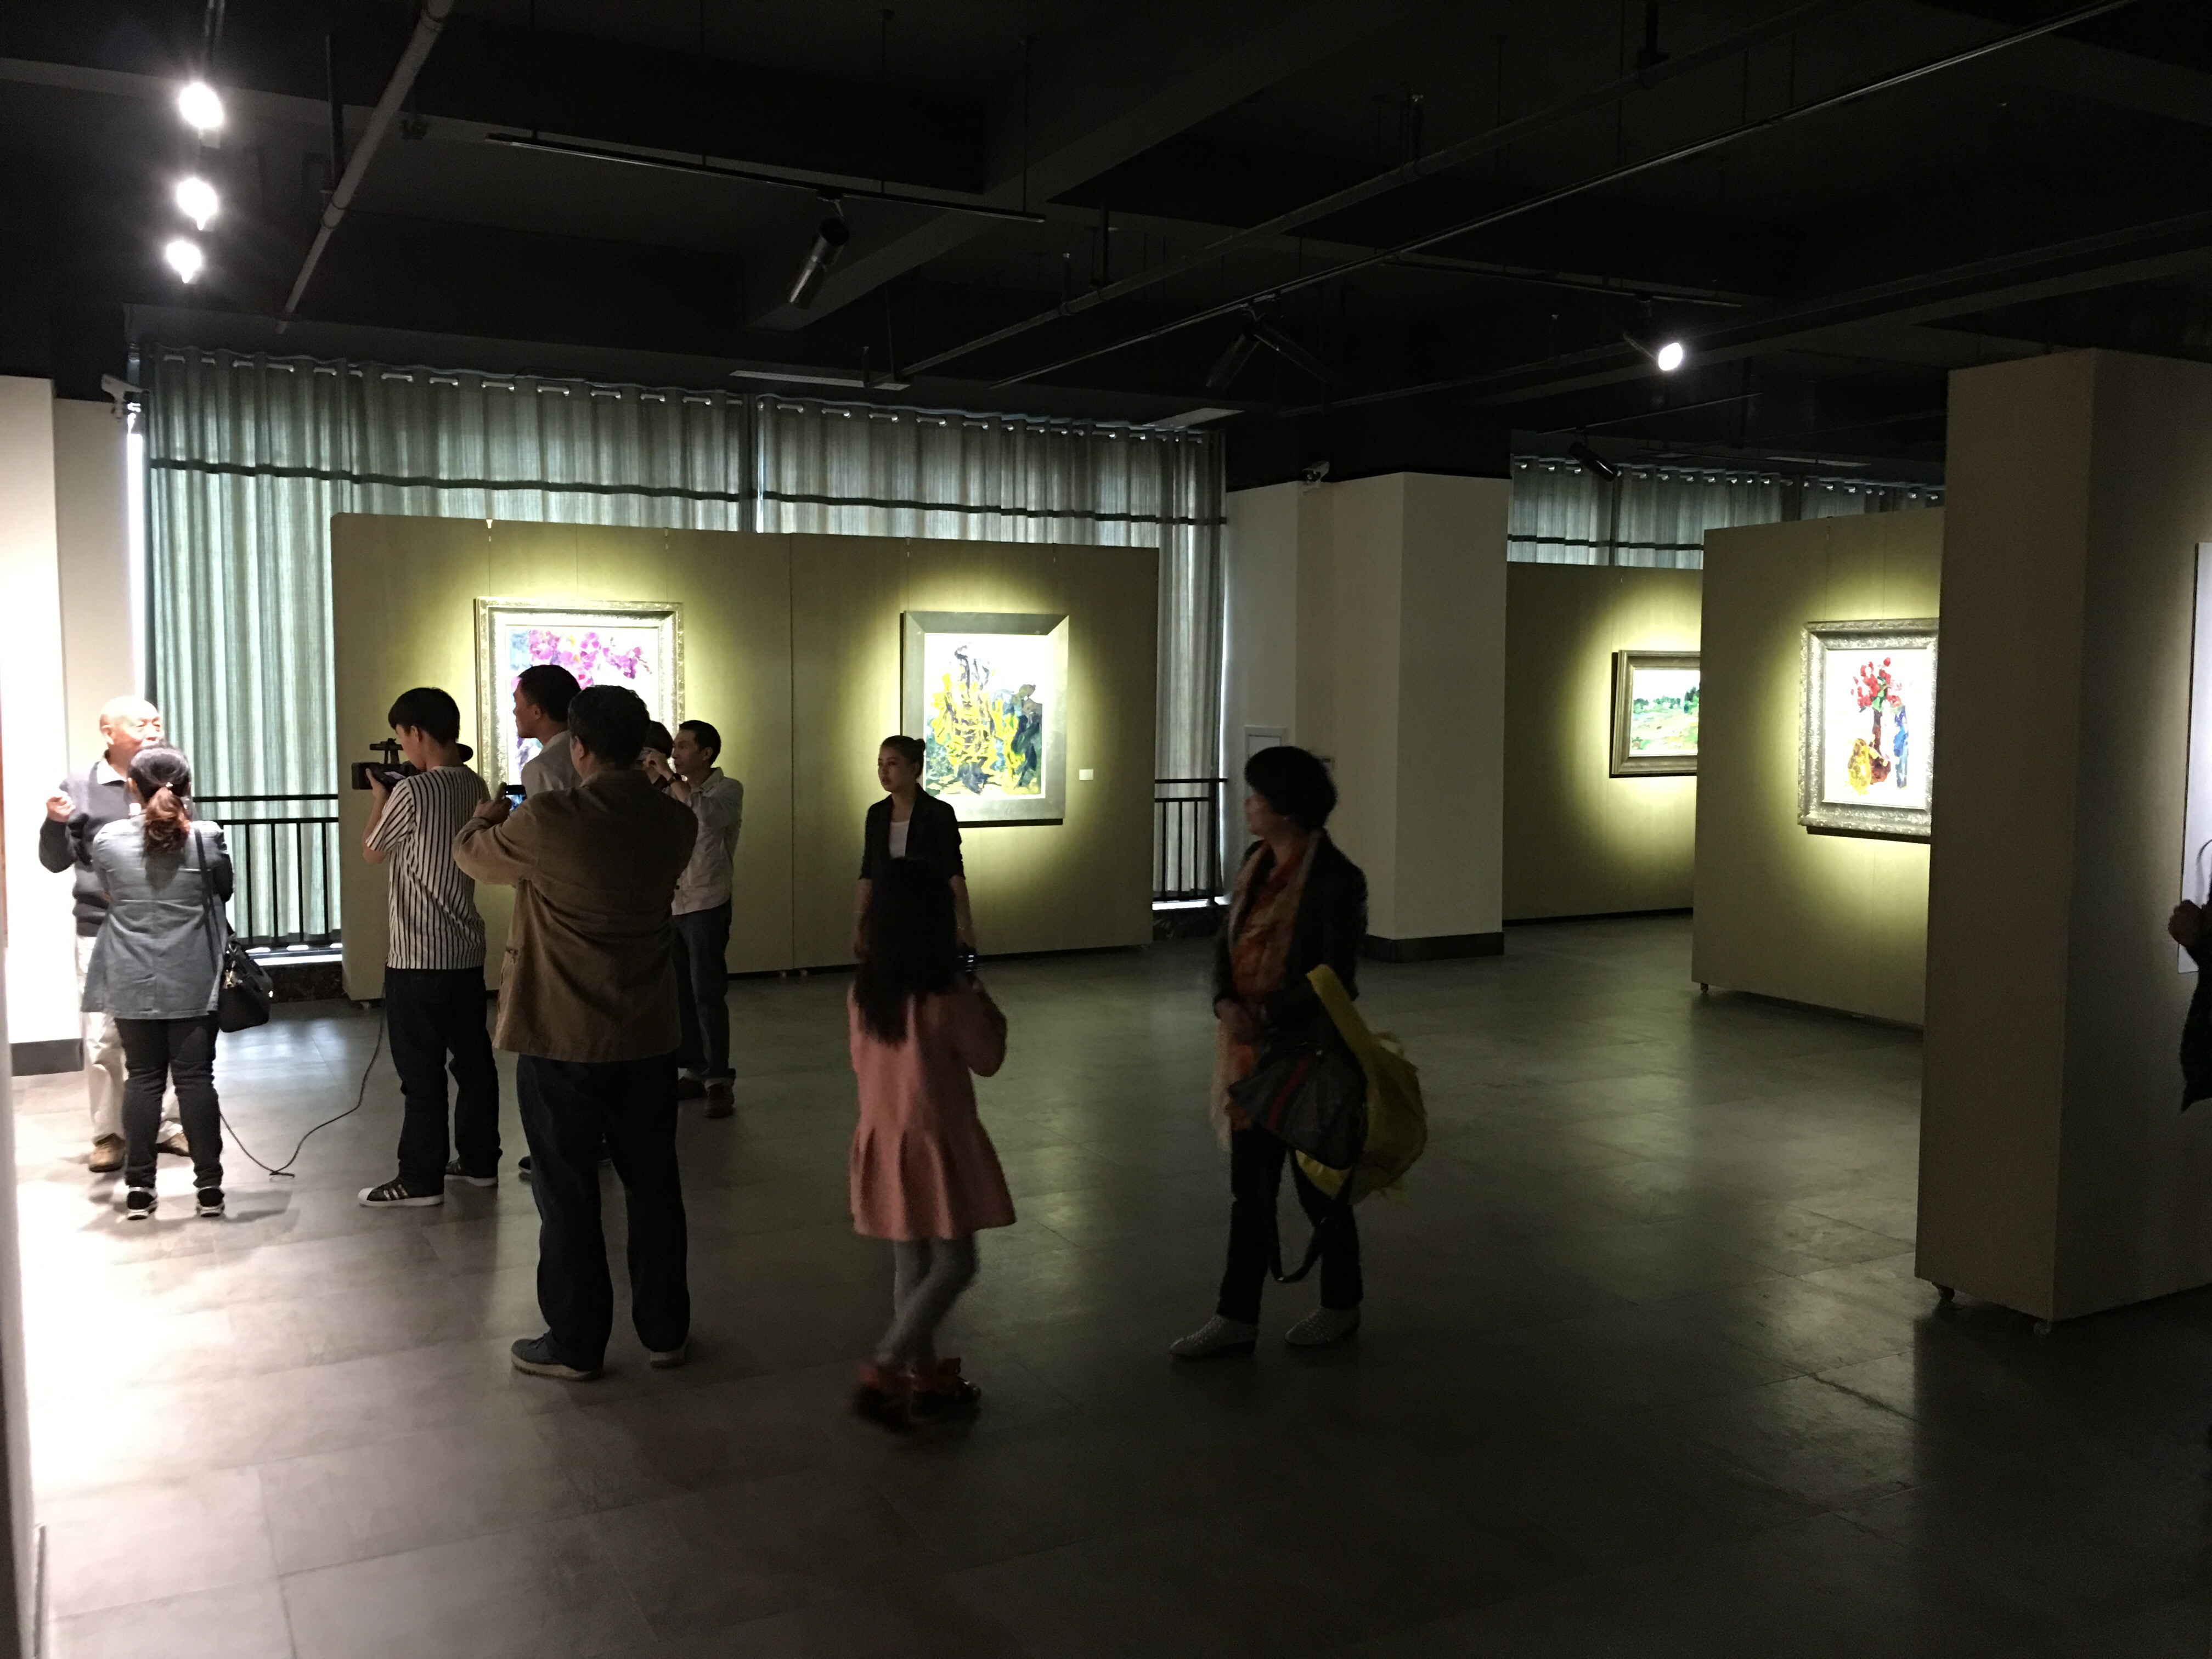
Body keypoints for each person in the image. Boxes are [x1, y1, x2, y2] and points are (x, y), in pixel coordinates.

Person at [455, 684, 698, 1380]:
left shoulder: (549, 819)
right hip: (647, 1030)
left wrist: (479, 819)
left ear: (580, 748)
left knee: (566, 1189)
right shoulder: (674, 823)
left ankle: (576, 1340)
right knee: (653, 1183)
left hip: (561, 1031)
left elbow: (475, 858)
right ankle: (666, 1330)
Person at [1171, 745, 1369, 1359]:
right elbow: (1225, 944)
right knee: (1250, 1194)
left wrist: (1267, 1015)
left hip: (1305, 1058)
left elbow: (1335, 978)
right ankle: (1236, 1316)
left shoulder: (1335, 880)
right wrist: (1224, 1000)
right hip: (1247, 1060)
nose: (1249, 804)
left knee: (1319, 1192)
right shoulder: (1255, 864)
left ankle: (1341, 1304)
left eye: (1257, 795)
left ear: (1285, 808)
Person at [847, 859, 1011, 1430]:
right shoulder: (946, 995)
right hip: (936, 1141)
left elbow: (861, 1064)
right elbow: (988, 1058)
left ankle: (924, 1379)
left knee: (910, 1260)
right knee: (957, 1262)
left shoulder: (864, 993)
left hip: (885, 1137)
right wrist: (984, 1001)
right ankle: (889, 1363)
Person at [357, 687, 500, 1207]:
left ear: (416, 732)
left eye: (401, 737)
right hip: (465, 949)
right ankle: (480, 1161)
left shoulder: (413, 792)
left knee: (421, 1074)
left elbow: (373, 852)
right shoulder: (475, 784)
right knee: (474, 1062)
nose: (402, 746)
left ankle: (420, 1178)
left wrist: (380, 798)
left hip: (417, 955)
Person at [80, 746, 230, 1221]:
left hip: (130, 974)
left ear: (132, 787)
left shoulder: (108, 840)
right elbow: (223, 890)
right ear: (188, 788)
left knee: (142, 1077)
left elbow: (109, 891)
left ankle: (140, 1190)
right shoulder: (207, 837)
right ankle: (209, 1189)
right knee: (195, 1078)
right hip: (194, 973)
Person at [41, 695, 187, 1172]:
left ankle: (166, 1124)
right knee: (104, 1036)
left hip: (163, 926)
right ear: (109, 732)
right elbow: (56, 861)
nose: (153, 731)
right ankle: (109, 1134)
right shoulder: (80, 786)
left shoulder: (169, 776)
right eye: (141, 724)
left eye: (157, 723)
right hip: (100, 927)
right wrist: (55, 823)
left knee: (168, 1027)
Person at [645, 720, 744, 1118]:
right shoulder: (670, 789)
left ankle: (719, 1079)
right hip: (674, 903)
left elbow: (705, 816)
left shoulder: (727, 789)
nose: (675, 753)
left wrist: (669, 778)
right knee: (681, 993)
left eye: (683, 746)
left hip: (707, 902)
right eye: (674, 746)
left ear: (707, 754)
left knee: (707, 992)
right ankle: (695, 1069)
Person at [853, 735, 974, 958]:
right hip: (886, 919)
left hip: (927, 919)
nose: (883, 771)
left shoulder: (938, 813)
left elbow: (954, 872)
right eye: (880, 764)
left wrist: (964, 927)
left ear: (913, 768)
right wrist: (860, 925)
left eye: (892, 764)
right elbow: (868, 872)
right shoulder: (877, 814)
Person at [515, 664, 582, 797]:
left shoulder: (540, 769)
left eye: (516, 703)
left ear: (536, 712)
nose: (514, 711)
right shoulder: (593, 753)